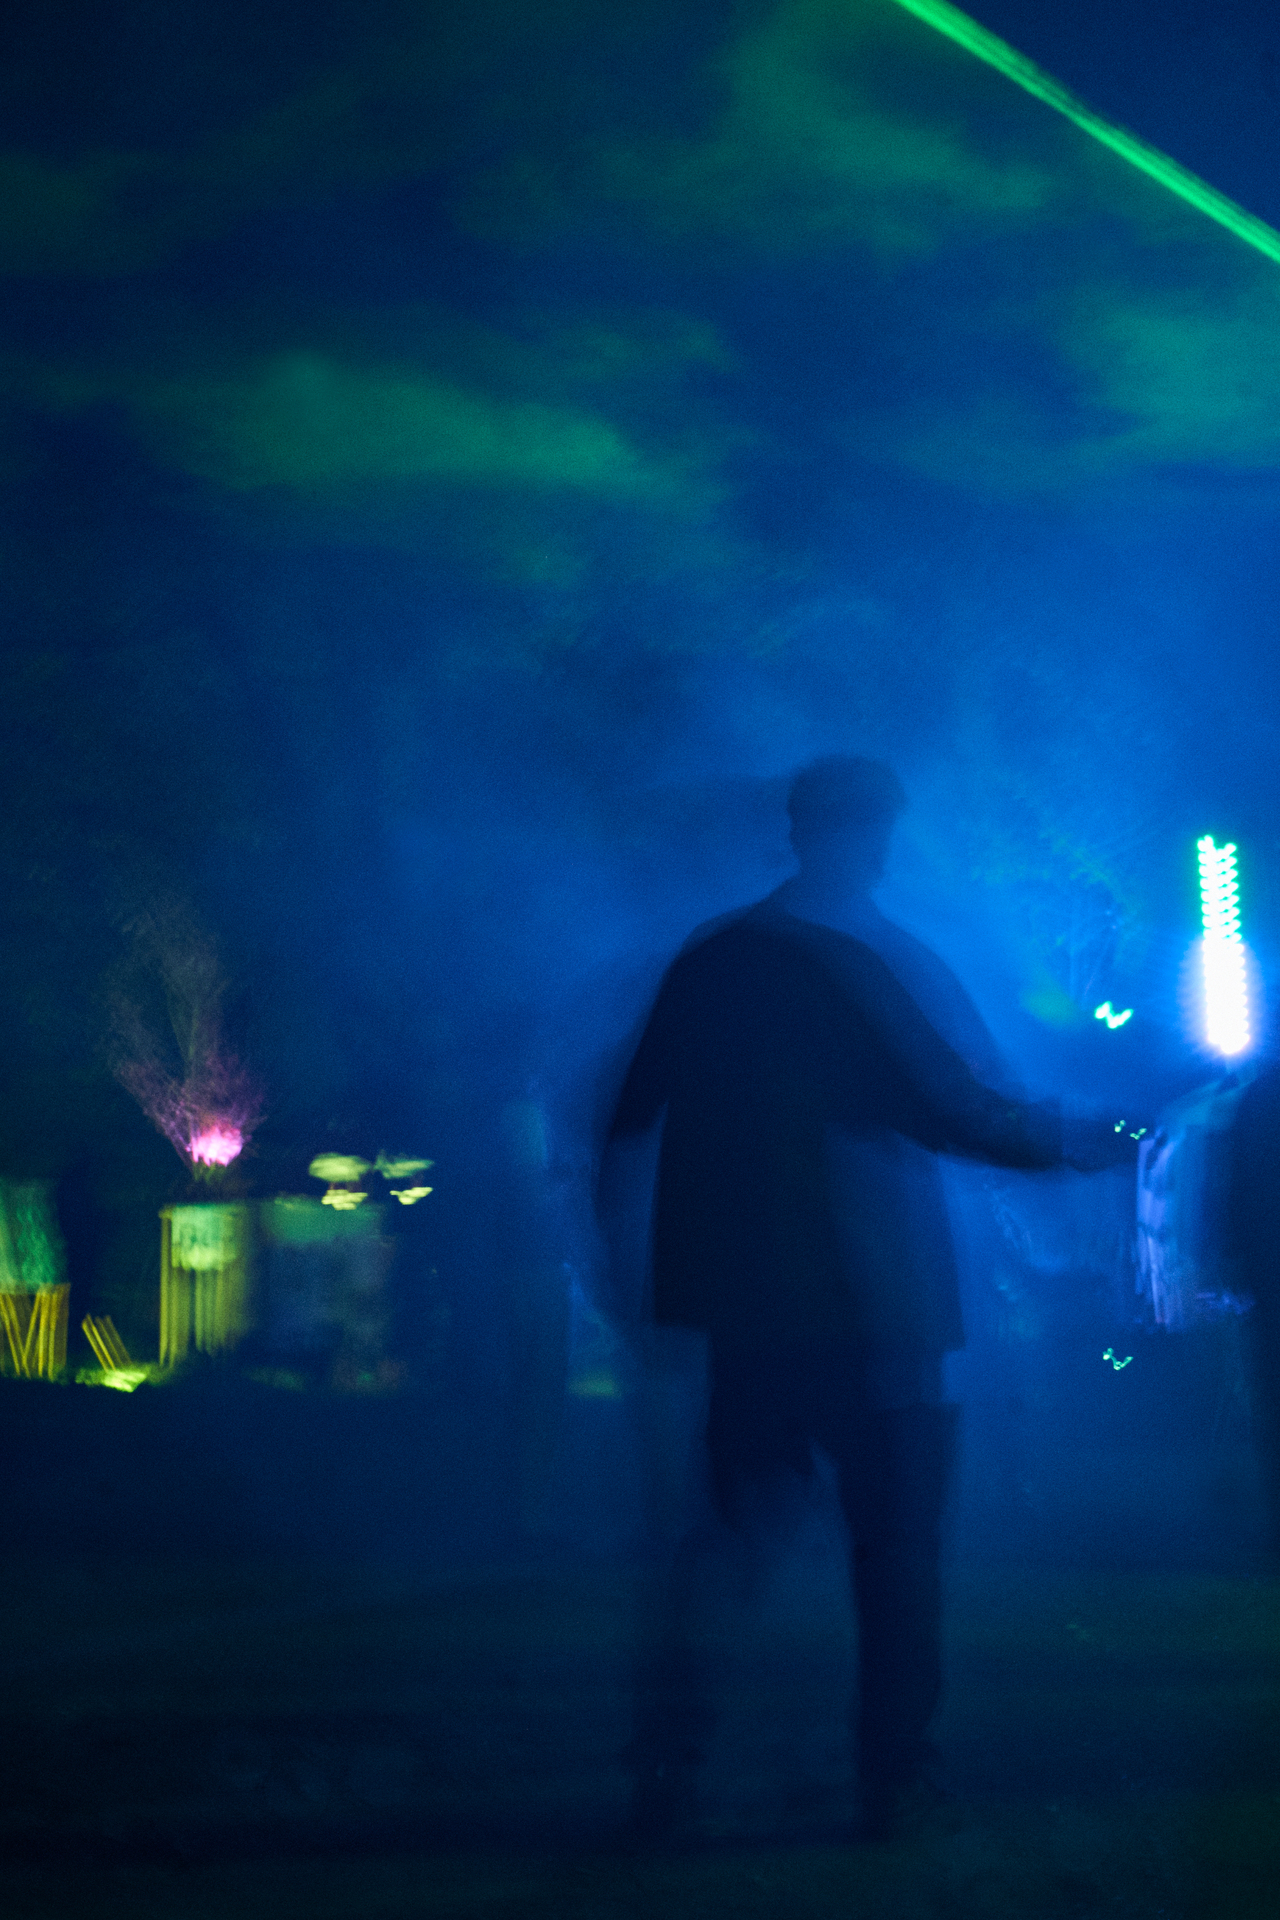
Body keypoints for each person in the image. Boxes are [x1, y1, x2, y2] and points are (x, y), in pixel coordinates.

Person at [599, 755, 1132, 1842]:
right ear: (869, 835)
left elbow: (626, 1120)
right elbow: (953, 1105)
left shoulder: (714, 959)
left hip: (746, 1314)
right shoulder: (872, 962)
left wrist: (631, 1282)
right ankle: (893, 1777)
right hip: (876, 1306)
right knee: (893, 1551)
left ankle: (669, 1767)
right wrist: (1074, 1139)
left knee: (730, 1533)